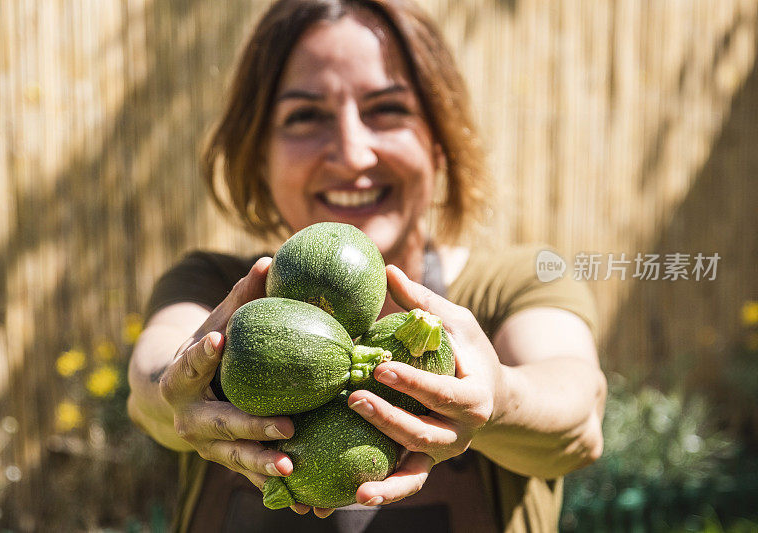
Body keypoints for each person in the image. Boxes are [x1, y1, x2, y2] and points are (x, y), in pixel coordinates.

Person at [126, 0, 607, 531]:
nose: (352, 154)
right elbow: (149, 383)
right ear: (259, 154)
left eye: (386, 110)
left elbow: (579, 415)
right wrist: (186, 385)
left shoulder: (516, 284)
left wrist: (501, 398)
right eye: (305, 116)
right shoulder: (212, 286)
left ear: (439, 140)